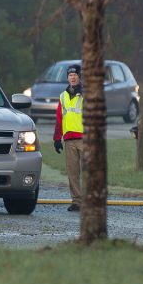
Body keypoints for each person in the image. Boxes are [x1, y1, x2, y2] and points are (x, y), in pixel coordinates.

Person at [53, 64, 84, 212]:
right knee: (73, 173)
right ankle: (77, 201)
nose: (72, 77)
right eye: (70, 75)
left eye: (75, 75)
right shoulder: (62, 96)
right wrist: (57, 138)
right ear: (67, 78)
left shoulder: (87, 95)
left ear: (79, 76)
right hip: (69, 140)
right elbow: (59, 119)